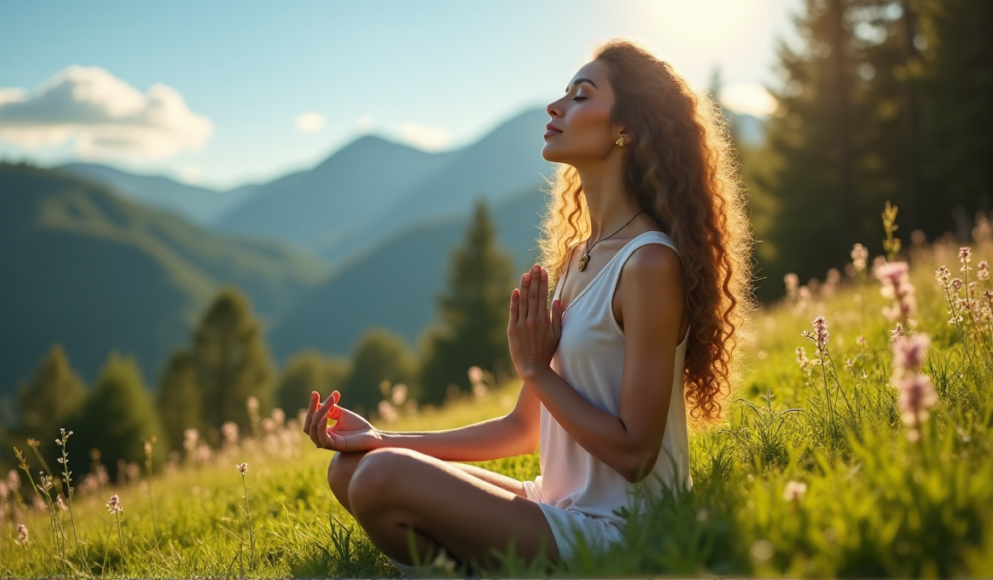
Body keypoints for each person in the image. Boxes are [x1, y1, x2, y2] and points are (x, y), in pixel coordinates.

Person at [302, 36, 754, 577]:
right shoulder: (580, 258)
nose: (556, 106)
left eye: (580, 96)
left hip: (623, 530)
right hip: (557, 505)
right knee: (353, 467)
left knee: (380, 478)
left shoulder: (649, 264)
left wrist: (537, 370)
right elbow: (521, 427)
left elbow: (636, 456)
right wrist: (381, 437)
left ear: (625, 129)